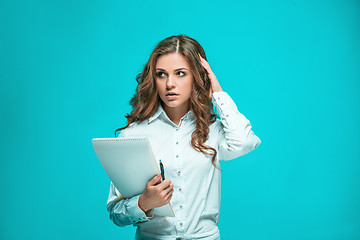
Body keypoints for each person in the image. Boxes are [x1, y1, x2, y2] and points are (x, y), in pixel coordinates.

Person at [106, 34, 261, 240]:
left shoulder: (213, 130)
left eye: (180, 73)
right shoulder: (133, 134)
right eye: (161, 74)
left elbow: (244, 142)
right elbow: (116, 214)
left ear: (197, 77)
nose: (170, 83)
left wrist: (217, 92)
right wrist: (144, 202)